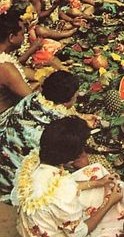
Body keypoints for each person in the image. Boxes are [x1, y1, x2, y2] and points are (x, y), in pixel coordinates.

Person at [11, 116, 124, 237]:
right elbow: (79, 233)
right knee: (118, 228)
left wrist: (98, 183)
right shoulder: (64, 191)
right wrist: (110, 202)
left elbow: (55, 190)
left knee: (97, 173)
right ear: (69, 161)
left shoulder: (33, 160)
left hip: (39, 226)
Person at [0, 70, 99, 201]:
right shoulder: (61, 128)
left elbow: (50, 113)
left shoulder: (32, 98)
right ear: (66, 101)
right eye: (75, 96)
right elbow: (81, 162)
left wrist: (80, 118)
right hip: (15, 183)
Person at [9, 0, 76, 69]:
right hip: (20, 51)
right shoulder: (7, 14)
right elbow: (14, 61)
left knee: (56, 47)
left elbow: (31, 29)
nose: (27, 0)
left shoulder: (28, 7)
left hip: (29, 40)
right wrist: (33, 47)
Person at [0, 8, 32, 126]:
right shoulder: (6, 68)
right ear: (12, 37)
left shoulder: (4, 57)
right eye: (23, 33)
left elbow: (23, 71)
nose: (24, 37)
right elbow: (34, 100)